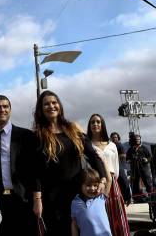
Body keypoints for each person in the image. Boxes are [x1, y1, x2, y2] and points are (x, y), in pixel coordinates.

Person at [32, 90, 107, 236]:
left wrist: (103, 180)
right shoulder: (38, 135)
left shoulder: (73, 130)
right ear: (41, 109)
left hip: (78, 195)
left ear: (59, 105)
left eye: (54, 102)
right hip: (52, 199)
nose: (51, 106)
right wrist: (37, 199)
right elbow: (36, 171)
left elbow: (93, 156)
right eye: (46, 104)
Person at [0, 95, 37, 235]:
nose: (2, 109)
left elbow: (33, 169)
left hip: (20, 199)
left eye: (5, 106)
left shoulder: (25, 135)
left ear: (10, 110)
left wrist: (35, 198)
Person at [87, 114, 130, 236]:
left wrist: (113, 182)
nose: (95, 124)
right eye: (92, 122)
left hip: (113, 184)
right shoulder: (88, 145)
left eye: (98, 122)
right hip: (96, 184)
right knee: (101, 215)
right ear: (89, 126)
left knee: (117, 215)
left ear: (102, 125)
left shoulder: (112, 145)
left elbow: (117, 167)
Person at [71, 168, 112, 236]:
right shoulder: (75, 202)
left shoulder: (100, 197)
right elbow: (74, 224)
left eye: (95, 185)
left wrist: (103, 160)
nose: (92, 188)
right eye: (88, 185)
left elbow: (109, 179)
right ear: (81, 185)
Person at [126, 134, 153, 201]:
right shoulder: (131, 149)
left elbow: (150, 157)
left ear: (140, 140)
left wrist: (147, 160)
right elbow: (127, 158)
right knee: (135, 184)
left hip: (144, 169)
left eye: (138, 139)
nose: (137, 140)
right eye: (136, 139)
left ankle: (151, 197)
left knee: (148, 183)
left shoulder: (144, 148)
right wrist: (129, 161)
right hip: (134, 170)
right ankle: (137, 199)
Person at [110, 132, 132, 204]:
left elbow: (123, 155)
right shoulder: (111, 146)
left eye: (115, 137)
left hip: (122, 167)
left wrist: (114, 156)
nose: (114, 138)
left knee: (125, 182)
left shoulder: (120, 145)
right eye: (113, 137)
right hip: (115, 167)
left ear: (118, 138)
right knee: (119, 184)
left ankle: (130, 198)